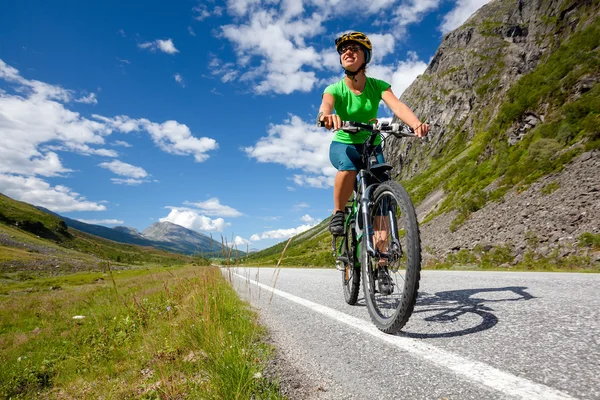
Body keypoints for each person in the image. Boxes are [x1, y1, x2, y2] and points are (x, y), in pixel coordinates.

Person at [317, 31, 430, 236]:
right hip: (345, 144)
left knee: (383, 198)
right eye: (344, 50)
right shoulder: (334, 89)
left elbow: (397, 106)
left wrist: (416, 124)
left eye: (354, 48)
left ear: (365, 56)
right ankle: (338, 212)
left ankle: (382, 259)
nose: (348, 52)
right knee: (349, 166)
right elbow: (326, 106)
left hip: (372, 144)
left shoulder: (377, 86)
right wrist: (326, 116)